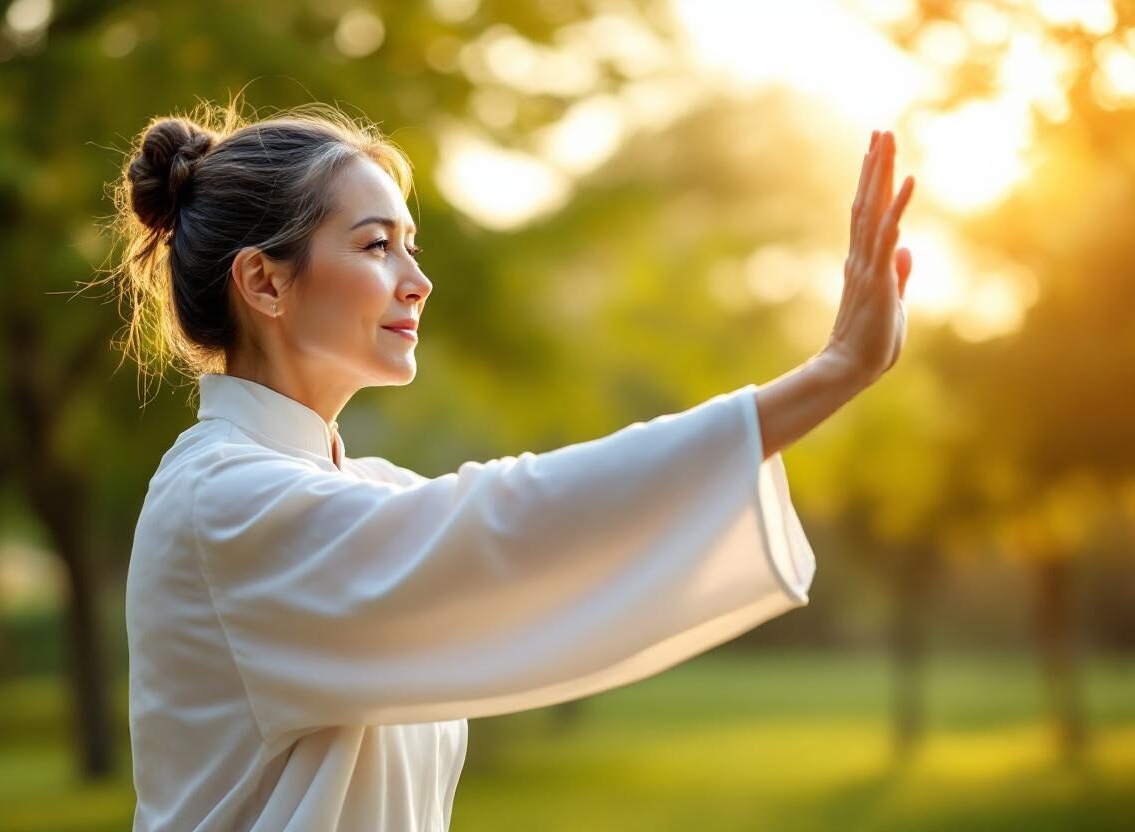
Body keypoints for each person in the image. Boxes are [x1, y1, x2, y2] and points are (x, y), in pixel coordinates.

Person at [114, 101, 915, 831]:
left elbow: (545, 548)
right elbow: (515, 515)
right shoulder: (224, 505)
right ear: (264, 280)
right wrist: (830, 373)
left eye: (412, 248)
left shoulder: (363, 493)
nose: (418, 282)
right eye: (376, 246)